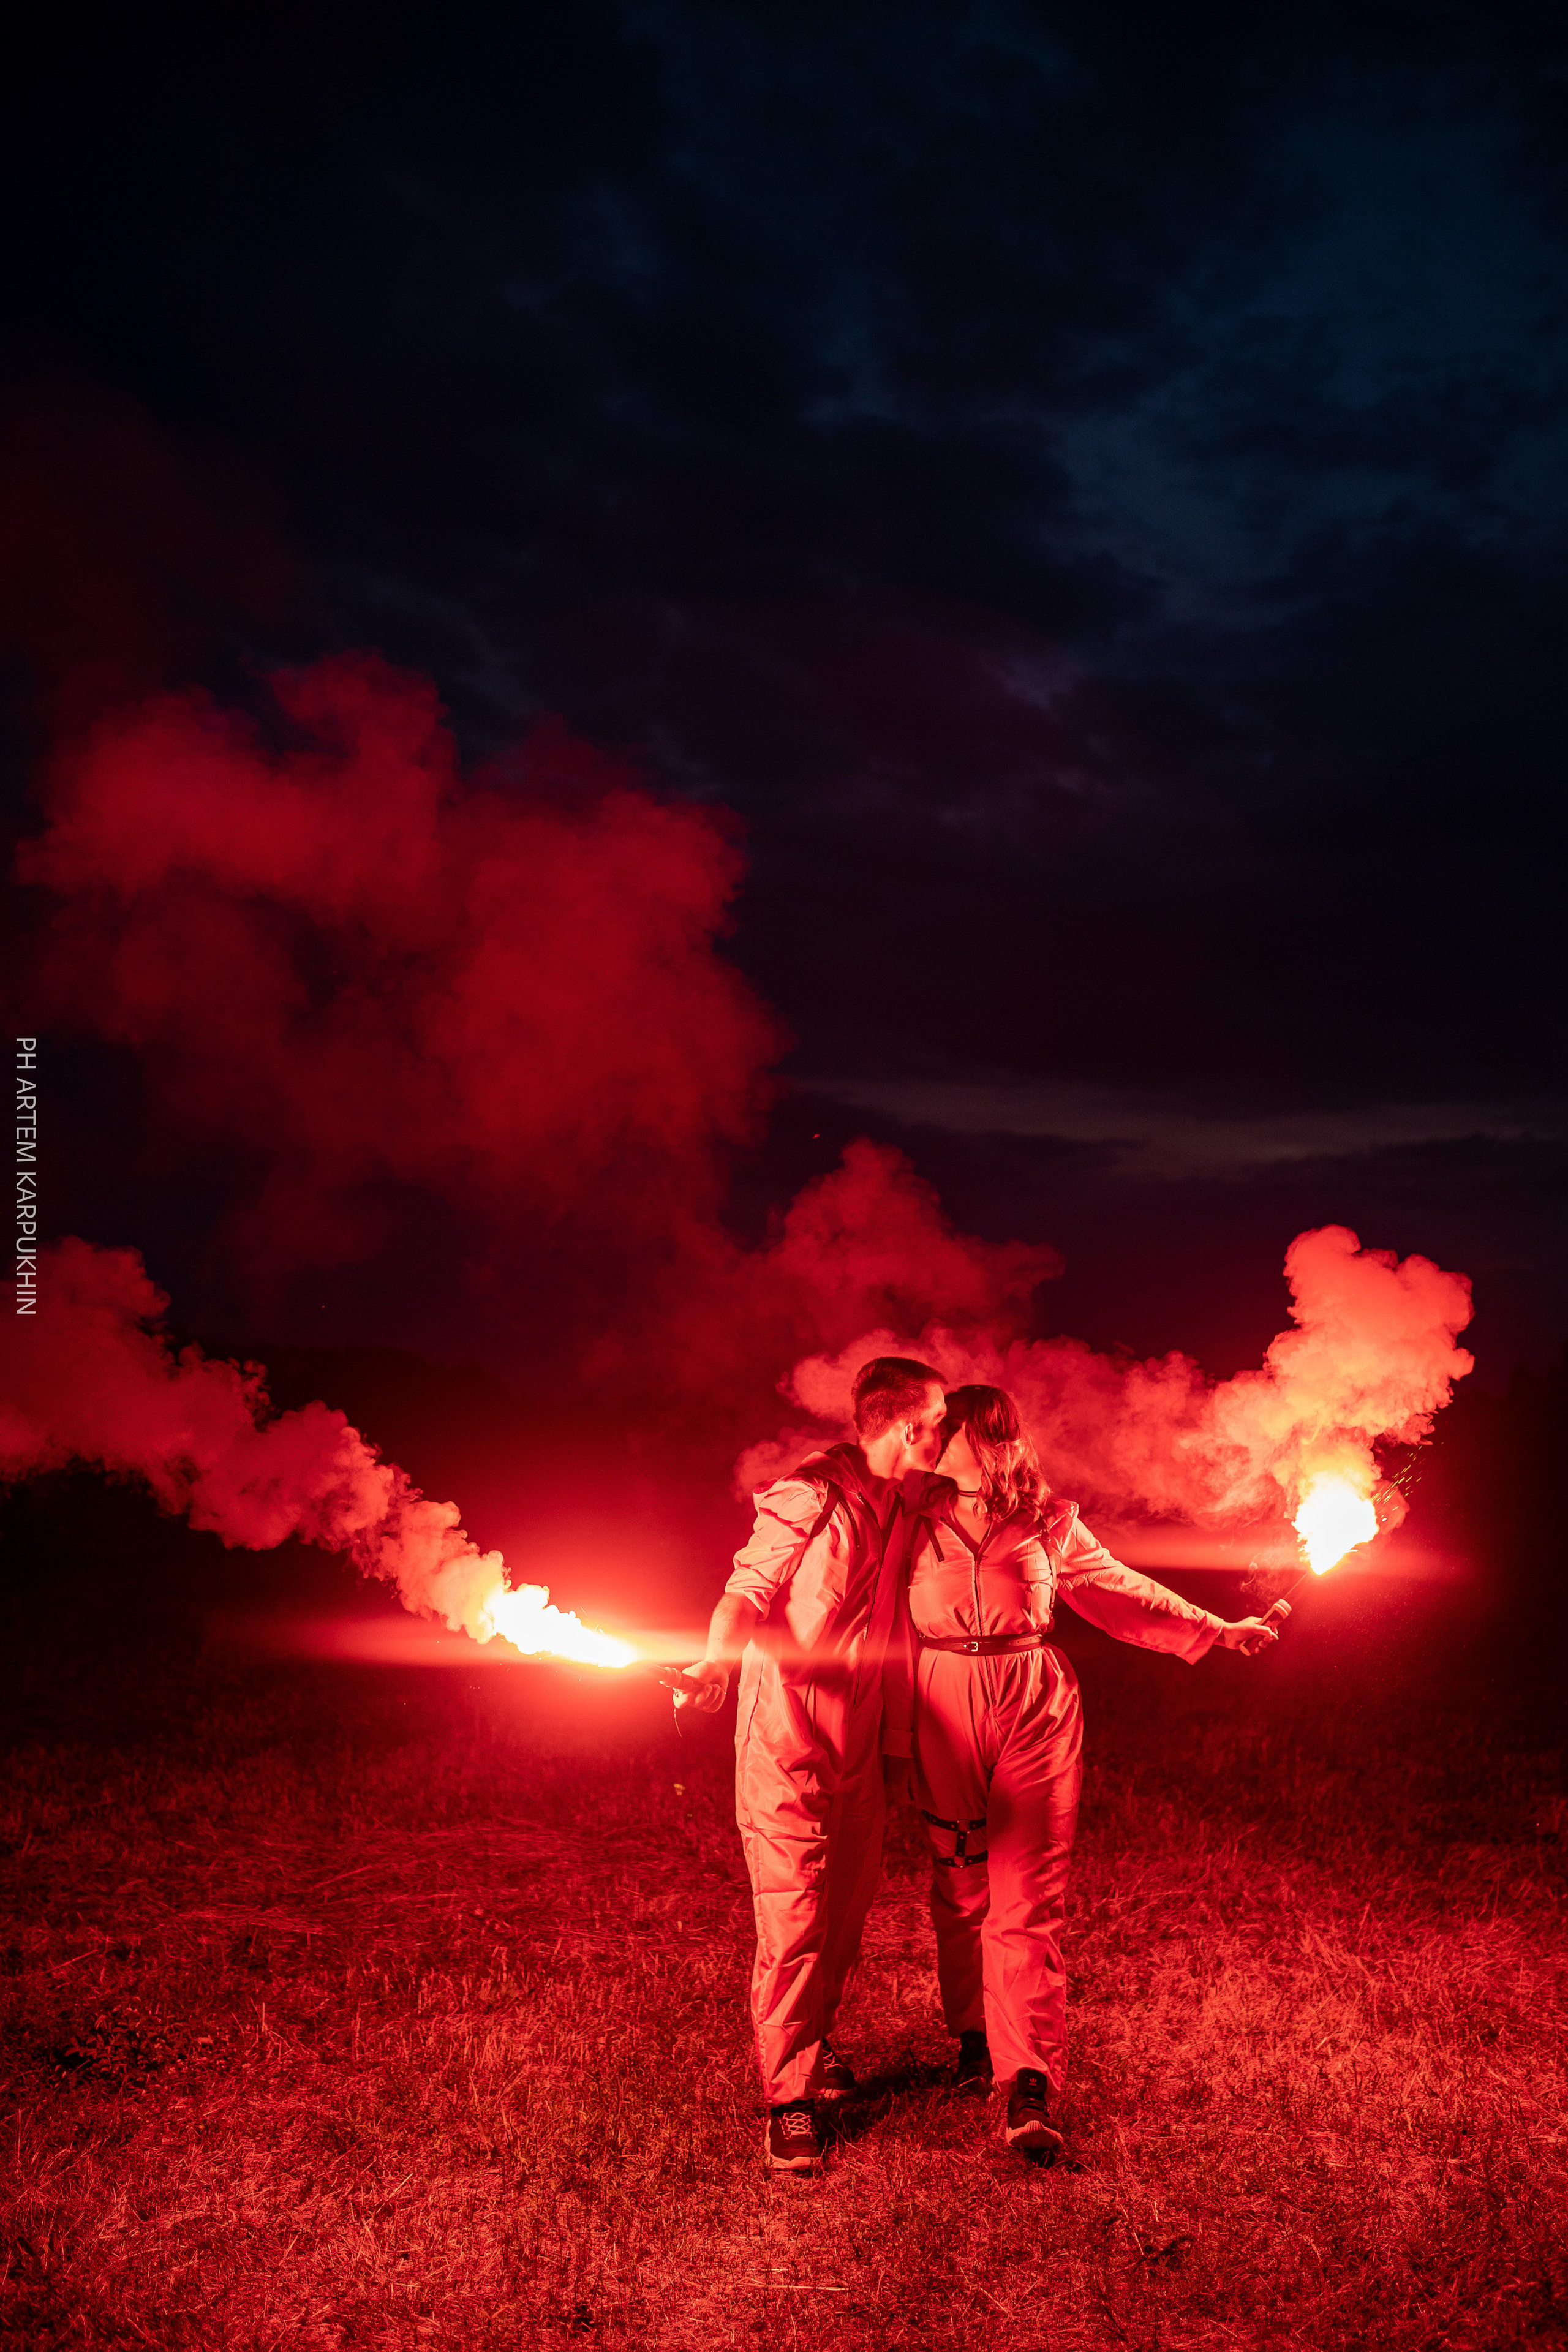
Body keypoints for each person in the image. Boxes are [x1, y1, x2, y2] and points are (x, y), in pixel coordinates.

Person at [884, 1383, 1280, 2158]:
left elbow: (1116, 1588)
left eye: (949, 1431)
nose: (933, 1442)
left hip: (1032, 1700)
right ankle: (974, 2038)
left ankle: (1026, 2078)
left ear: (989, 1439)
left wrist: (1214, 1630)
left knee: (1027, 1894)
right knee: (962, 1886)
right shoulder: (907, 1515)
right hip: (940, 1703)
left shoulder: (1047, 1521)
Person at [666, 1355, 948, 2174]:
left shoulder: (903, 1497)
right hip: (788, 1731)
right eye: (935, 1421)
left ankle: (811, 2041)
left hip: (862, 1734)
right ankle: (787, 2103)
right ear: (903, 1425)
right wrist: (717, 1666)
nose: (945, 1436)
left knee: (844, 1908)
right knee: (792, 1917)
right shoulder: (810, 1492)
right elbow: (744, 1595)